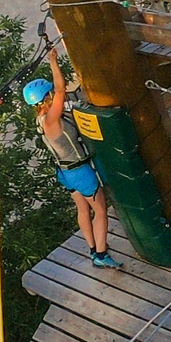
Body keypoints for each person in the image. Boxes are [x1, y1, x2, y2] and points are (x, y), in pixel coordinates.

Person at [22, 57, 118, 270]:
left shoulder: (40, 119)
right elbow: (61, 89)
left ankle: (93, 248)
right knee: (100, 210)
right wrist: (53, 60)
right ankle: (101, 255)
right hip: (79, 171)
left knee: (83, 210)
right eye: (50, 94)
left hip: (64, 172)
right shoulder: (51, 119)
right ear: (46, 97)